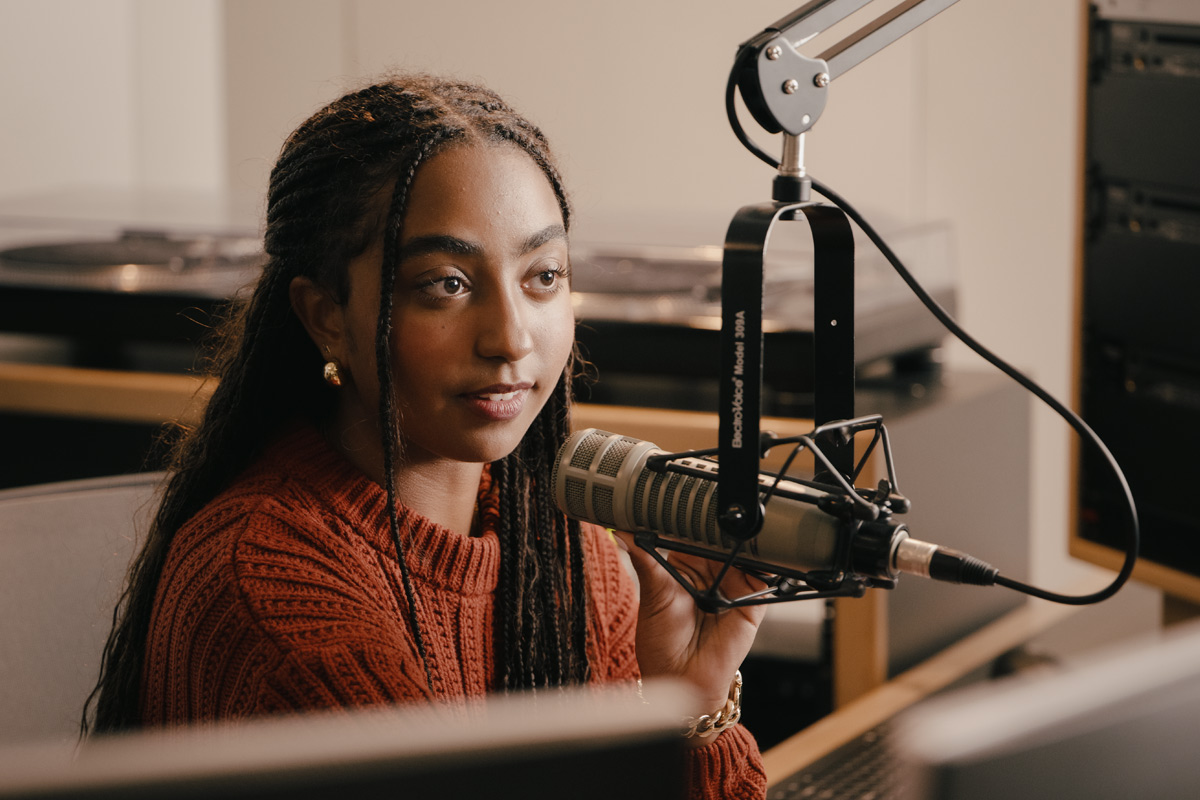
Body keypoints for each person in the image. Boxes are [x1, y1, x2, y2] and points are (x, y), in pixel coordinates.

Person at [85, 75, 768, 798]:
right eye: (446, 283)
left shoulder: (570, 555)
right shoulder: (279, 605)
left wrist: (691, 709)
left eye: (543, 276)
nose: (510, 338)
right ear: (326, 317)